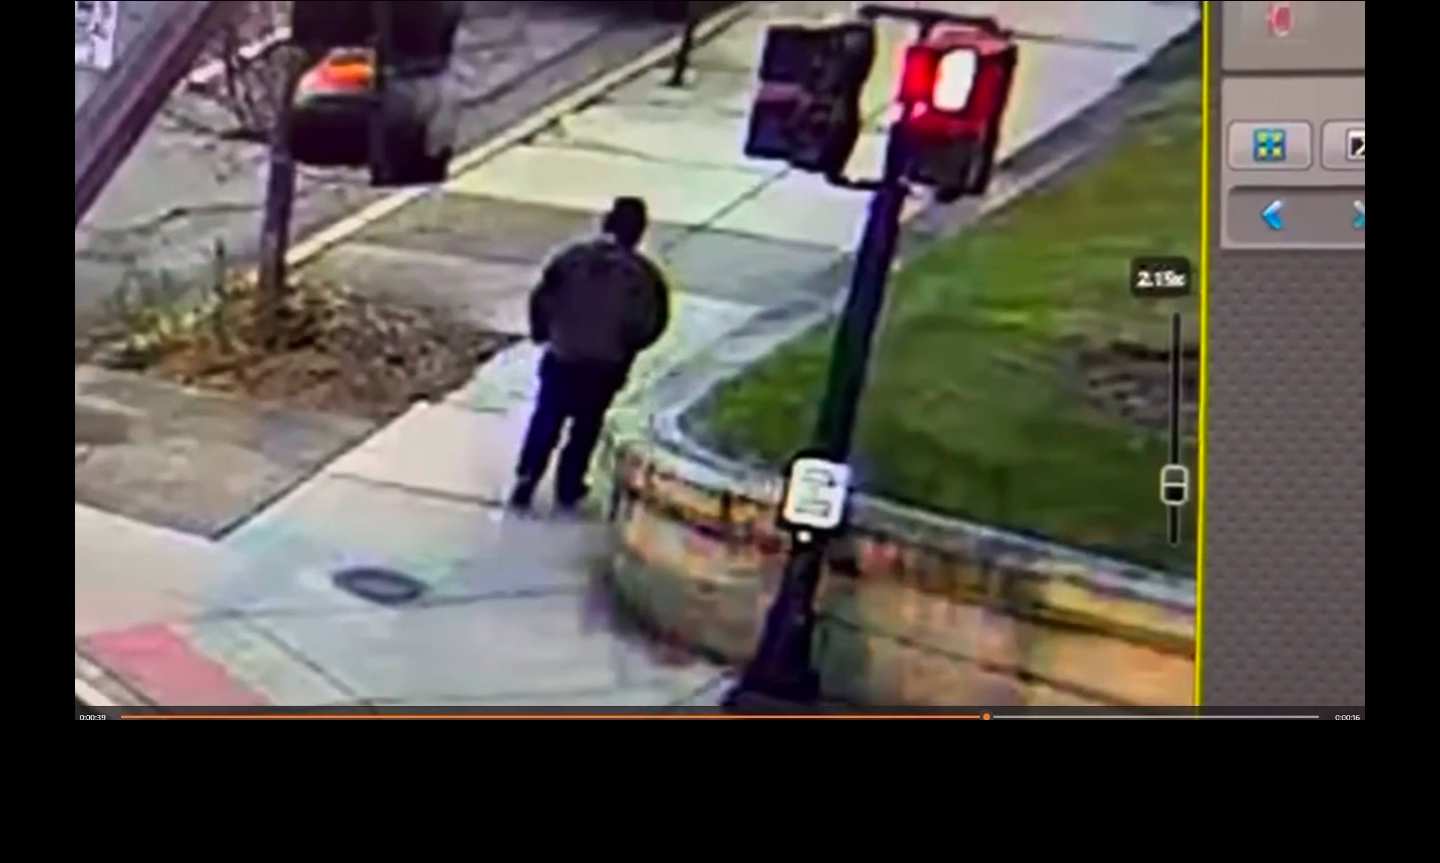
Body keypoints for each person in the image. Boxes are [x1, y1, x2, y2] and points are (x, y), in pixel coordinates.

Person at [508, 197, 671, 513]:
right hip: (605, 363)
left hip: (563, 354)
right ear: (639, 232)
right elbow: (652, 322)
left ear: (606, 222)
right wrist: (627, 348)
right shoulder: (643, 276)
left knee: (547, 417)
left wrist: (543, 331)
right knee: (585, 427)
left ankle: (527, 476)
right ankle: (568, 487)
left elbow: (542, 297)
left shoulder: (572, 260)